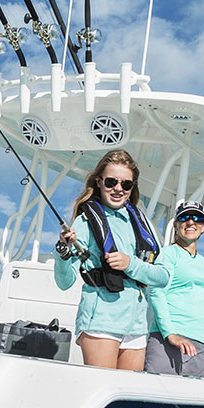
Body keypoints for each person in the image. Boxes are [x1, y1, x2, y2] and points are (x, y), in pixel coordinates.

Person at [53, 148, 169, 370]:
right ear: (99, 182)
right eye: (111, 182)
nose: (118, 188)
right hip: (101, 324)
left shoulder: (142, 222)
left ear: (132, 187)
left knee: (128, 396)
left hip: (137, 327)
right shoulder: (85, 222)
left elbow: (163, 276)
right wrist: (63, 252)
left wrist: (130, 264)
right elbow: (64, 282)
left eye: (126, 184)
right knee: (104, 389)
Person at [144, 200, 204, 380]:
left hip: (203, 347)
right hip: (168, 341)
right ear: (175, 225)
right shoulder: (166, 254)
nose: (191, 222)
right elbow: (157, 294)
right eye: (184, 218)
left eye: (197, 218)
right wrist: (170, 334)